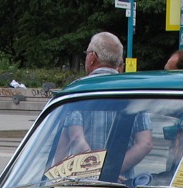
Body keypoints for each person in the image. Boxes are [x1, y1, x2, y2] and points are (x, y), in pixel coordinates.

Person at [57, 32, 153, 176]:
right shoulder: (133, 92)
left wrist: (96, 173)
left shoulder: (79, 90)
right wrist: (112, 171)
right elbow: (145, 143)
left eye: (87, 53)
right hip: (122, 185)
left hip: (82, 182)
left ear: (92, 58)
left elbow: (75, 138)